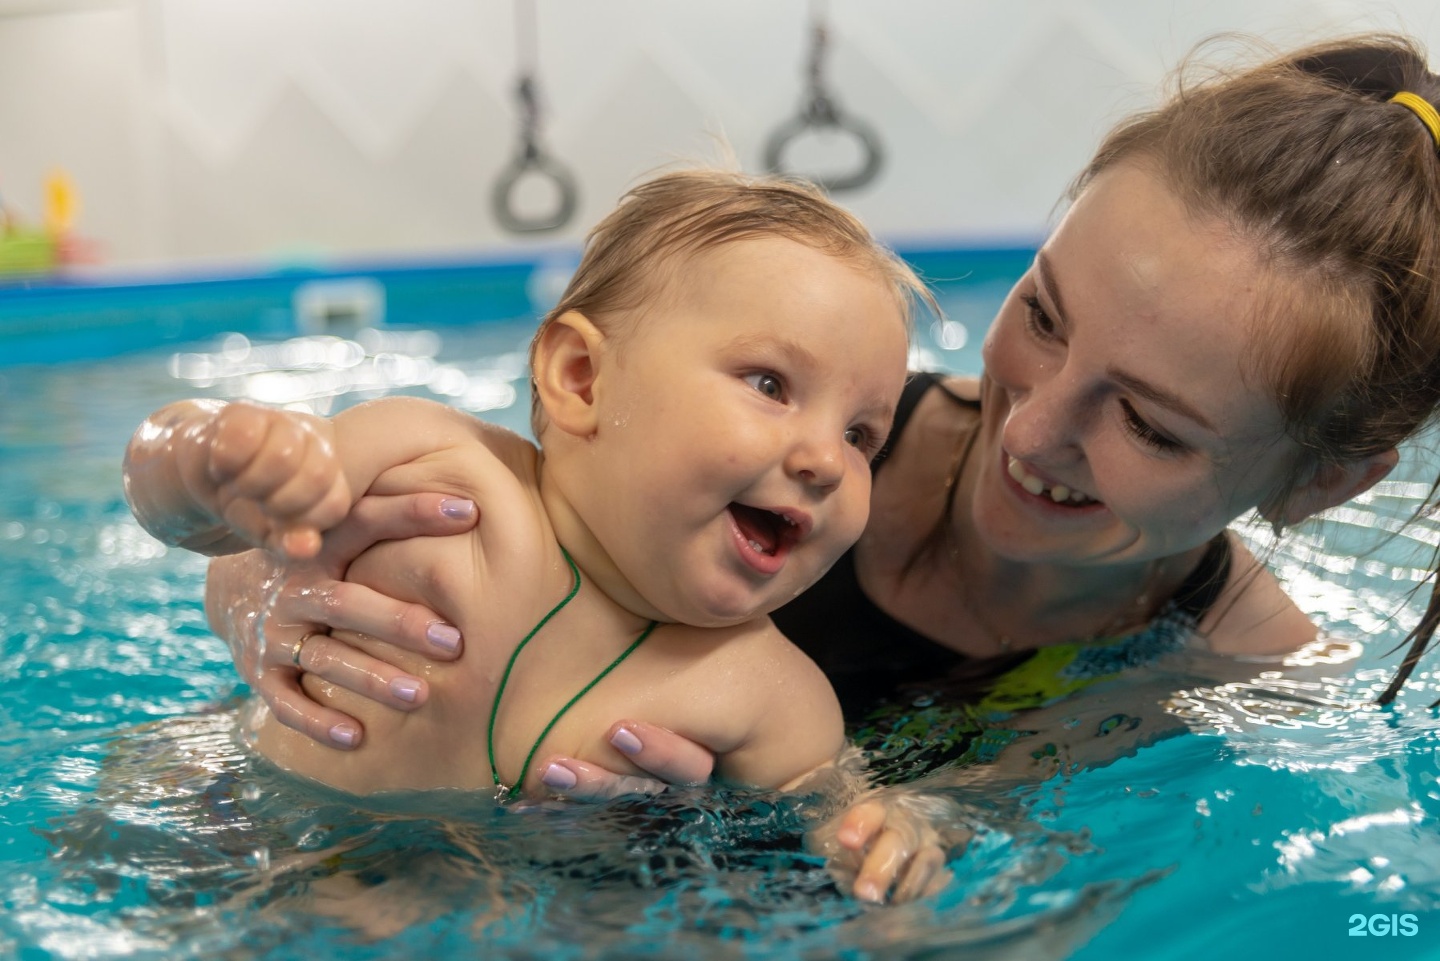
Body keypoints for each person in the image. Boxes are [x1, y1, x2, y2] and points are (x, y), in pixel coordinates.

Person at [207, 34, 1440, 901]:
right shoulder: (743, 431)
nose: (1031, 428)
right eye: (1045, 315)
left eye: (1153, 426)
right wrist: (262, 598)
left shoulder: (1252, 689)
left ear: (1323, 484)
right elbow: (373, 517)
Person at [123, 168, 928, 799]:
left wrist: (879, 826)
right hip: (225, 817)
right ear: (580, 378)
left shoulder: (769, 693)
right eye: (770, 385)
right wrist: (209, 455)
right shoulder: (432, 462)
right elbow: (190, 519)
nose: (826, 459)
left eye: (862, 434)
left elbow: (833, 812)